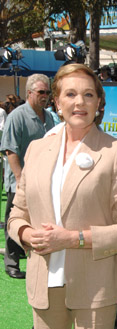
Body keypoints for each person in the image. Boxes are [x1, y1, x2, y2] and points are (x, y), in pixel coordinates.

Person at [8, 63, 117, 329]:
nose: (78, 102)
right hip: (45, 282)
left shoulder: (116, 152)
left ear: (100, 102)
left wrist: (73, 238)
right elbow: (16, 215)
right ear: (56, 102)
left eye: (87, 94)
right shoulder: (37, 150)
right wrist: (26, 235)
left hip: (96, 285)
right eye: (70, 94)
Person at [0, 74, 54, 279]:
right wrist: (20, 180)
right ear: (29, 93)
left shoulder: (48, 116)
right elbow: (10, 151)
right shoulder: (17, 116)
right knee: (15, 221)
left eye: (48, 92)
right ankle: (12, 262)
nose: (46, 96)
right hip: (20, 183)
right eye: (41, 92)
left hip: (43, 182)